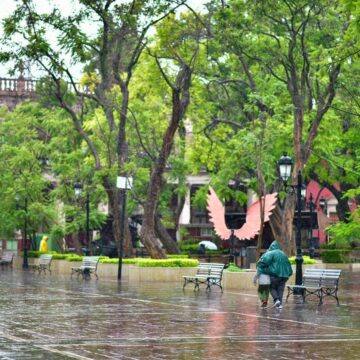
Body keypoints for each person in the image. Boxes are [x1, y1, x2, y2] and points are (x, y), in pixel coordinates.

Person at [257, 240, 293, 309]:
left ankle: (276, 300)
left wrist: (262, 269)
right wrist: (289, 273)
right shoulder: (283, 254)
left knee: (271, 287)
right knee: (280, 289)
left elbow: (263, 262)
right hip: (284, 276)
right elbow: (288, 265)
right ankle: (279, 304)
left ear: (271, 246)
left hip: (274, 274)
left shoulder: (270, 253)